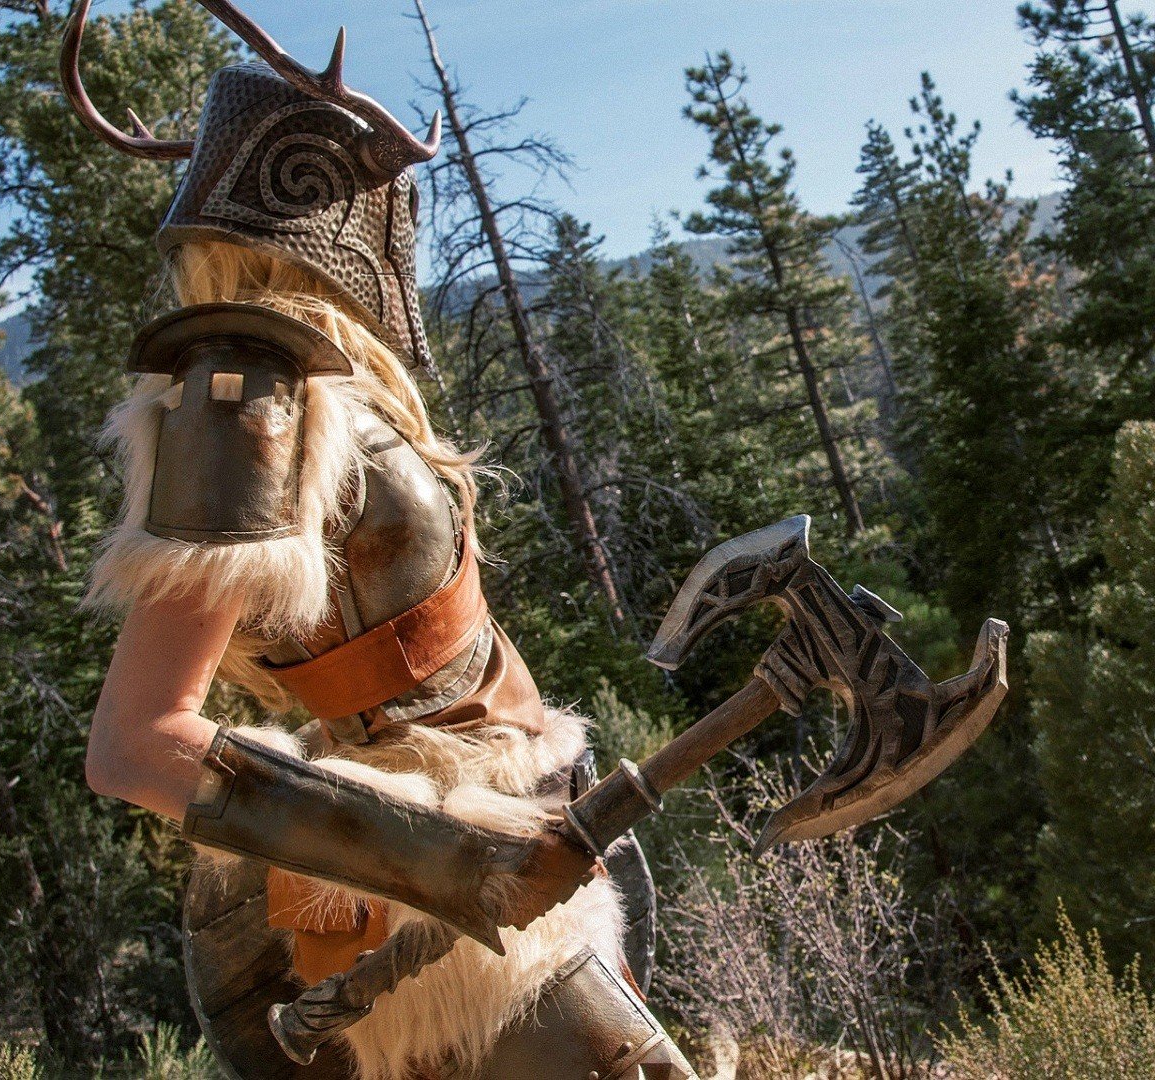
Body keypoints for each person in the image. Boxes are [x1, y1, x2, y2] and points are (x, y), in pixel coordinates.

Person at [63, 4, 691, 1077]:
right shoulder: (244, 401)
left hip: (523, 837)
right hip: (430, 920)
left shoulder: (315, 393)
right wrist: (451, 851)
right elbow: (133, 745)